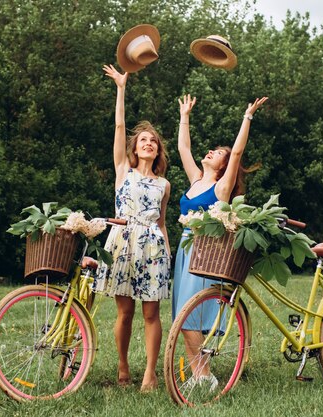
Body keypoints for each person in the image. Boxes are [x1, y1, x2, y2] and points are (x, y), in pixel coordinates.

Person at [172, 93, 267, 387]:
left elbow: (237, 154)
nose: (212, 151)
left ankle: (203, 375)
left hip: (206, 251)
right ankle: (200, 375)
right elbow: (183, 148)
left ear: (225, 166)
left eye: (218, 152)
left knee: (193, 316)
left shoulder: (221, 188)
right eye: (212, 149)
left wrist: (247, 116)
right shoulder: (196, 180)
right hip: (185, 251)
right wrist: (184, 115)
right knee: (180, 316)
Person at [93, 64, 171, 392]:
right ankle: (123, 365)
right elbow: (120, 125)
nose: (148, 143)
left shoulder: (164, 184)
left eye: (153, 141)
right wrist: (121, 89)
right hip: (122, 242)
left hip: (152, 247)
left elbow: (163, 223)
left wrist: (167, 253)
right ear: (134, 147)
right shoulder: (123, 169)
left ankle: (151, 374)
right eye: (143, 140)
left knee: (151, 313)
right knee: (125, 312)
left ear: (158, 150)